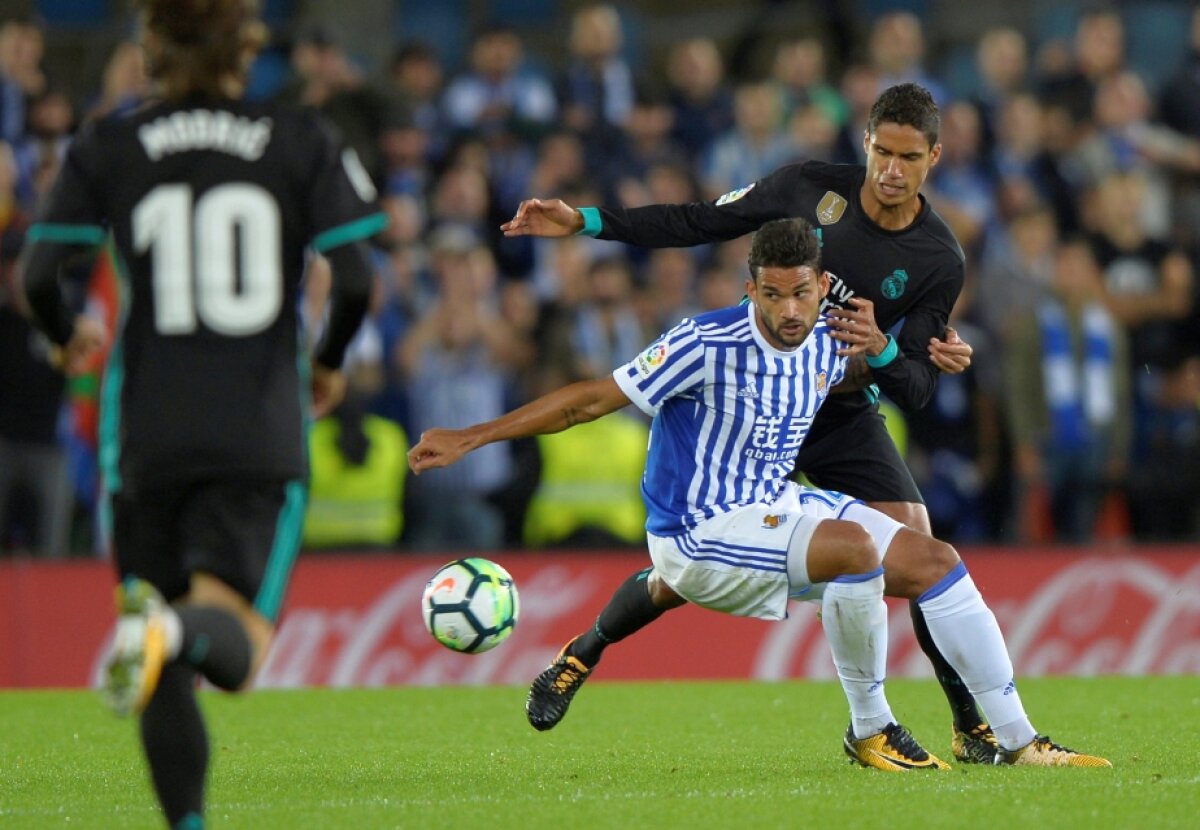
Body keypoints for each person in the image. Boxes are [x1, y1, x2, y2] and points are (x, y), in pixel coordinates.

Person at [409, 218, 1109, 771]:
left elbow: (848, 369)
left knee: (938, 561)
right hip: (696, 527)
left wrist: (929, 353)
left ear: (820, 284)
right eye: (770, 294)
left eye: (800, 293)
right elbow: (590, 401)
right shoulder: (702, 342)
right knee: (851, 549)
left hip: (770, 503)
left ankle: (1019, 742)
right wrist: (473, 436)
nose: (787, 310)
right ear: (750, 287)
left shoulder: (826, 335)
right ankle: (872, 729)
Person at [501, 82, 995, 763]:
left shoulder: (939, 257)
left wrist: (920, 355)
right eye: (882, 151)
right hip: (755, 398)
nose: (890, 169)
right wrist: (589, 222)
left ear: (933, 157)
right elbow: (697, 220)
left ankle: (969, 725)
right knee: (684, 574)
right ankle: (585, 649)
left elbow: (912, 384)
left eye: (907, 157)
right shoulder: (806, 188)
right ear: (866, 142)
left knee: (916, 546)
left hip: (839, 406)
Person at [19, 1, 384, 826]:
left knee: (157, 631)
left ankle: (185, 819)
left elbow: (40, 274)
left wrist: (67, 334)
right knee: (227, 648)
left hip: (144, 433)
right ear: (246, 49)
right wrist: (325, 365)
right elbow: (357, 281)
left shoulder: (108, 141)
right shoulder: (298, 137)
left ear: (151, 50)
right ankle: (172, 636)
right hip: (255, 425)